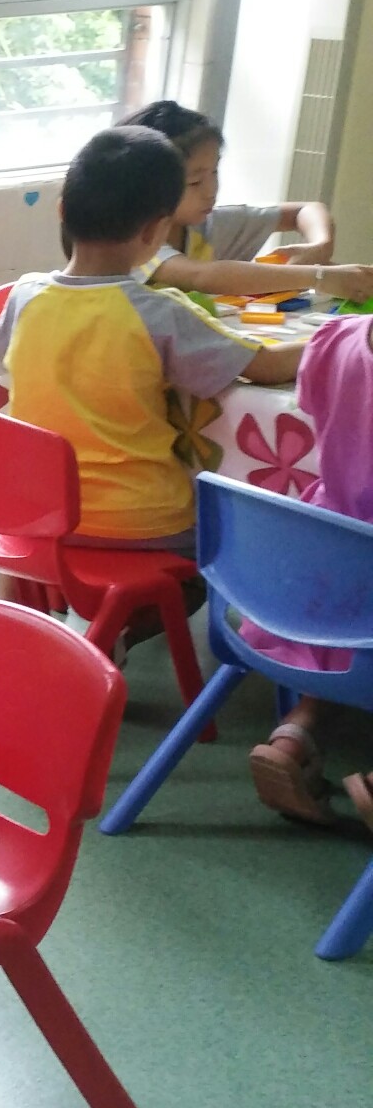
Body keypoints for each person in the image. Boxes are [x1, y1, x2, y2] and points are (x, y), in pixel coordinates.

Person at [0, 125, 303, 550]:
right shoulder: (157, 312)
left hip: (38, 511)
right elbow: (266, 367)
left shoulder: (24, 296)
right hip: (140, 519)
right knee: (233, 536)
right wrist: (341, 337)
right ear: (155, 231)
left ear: (62, 211)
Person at [235, 312, 373, 830]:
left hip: (322, 560)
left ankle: (295, 737)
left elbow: (314, 408)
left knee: (346, 627)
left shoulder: (337, 338)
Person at [117, 100, 373, 303]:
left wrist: (320, 245)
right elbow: (203, 276)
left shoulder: (208, 224)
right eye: (195, 182)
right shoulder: (135, 241)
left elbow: (305, 210)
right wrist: (318, 276)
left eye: (214, 172)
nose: (211, 190)